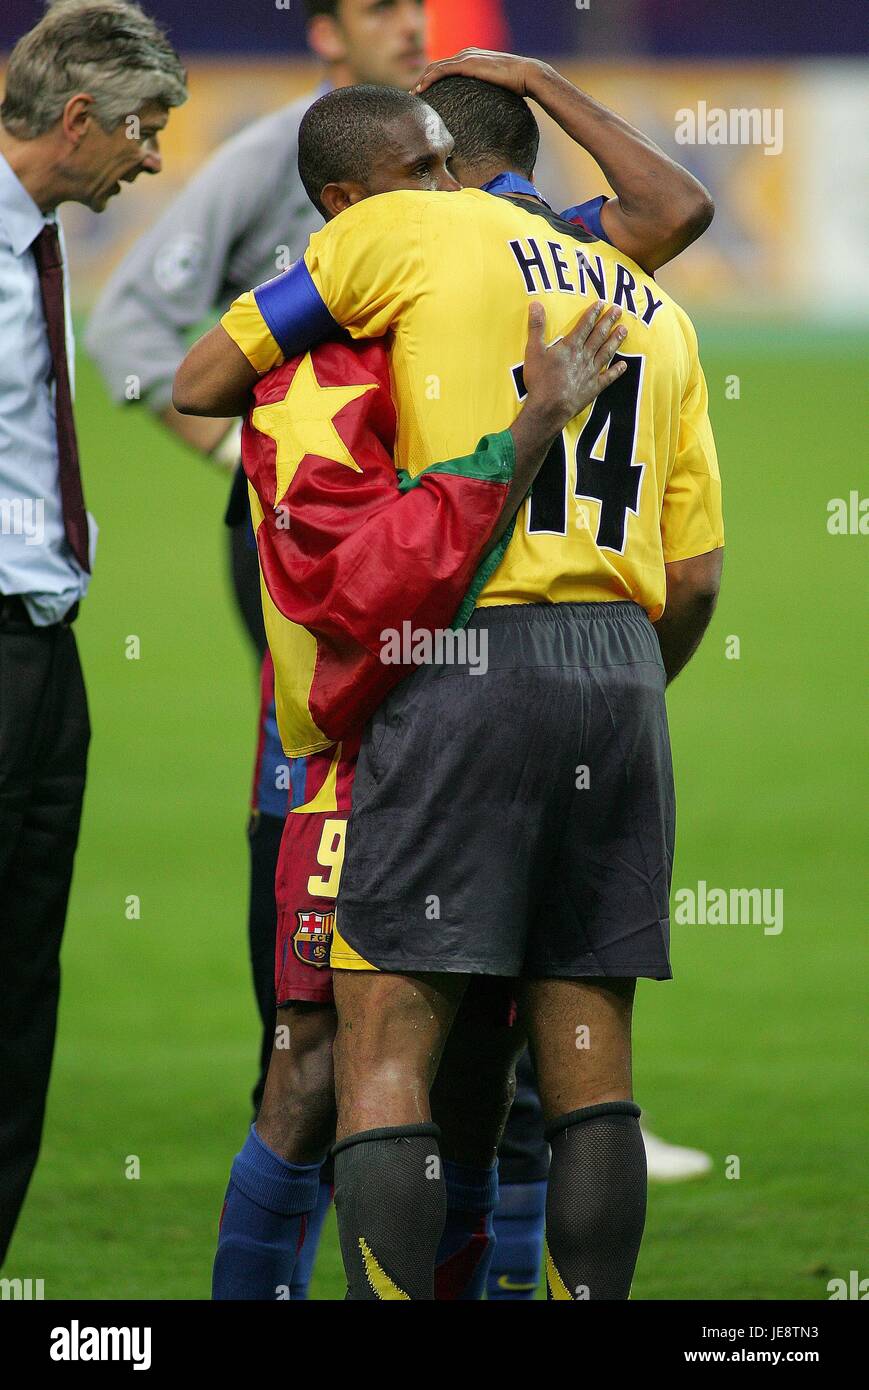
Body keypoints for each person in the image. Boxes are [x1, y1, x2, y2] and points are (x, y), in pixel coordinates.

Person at [176, 77, 723, 1299]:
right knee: (589, 1063)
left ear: (434, 162)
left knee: (378, 1057)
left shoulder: (404, 228)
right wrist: (623, 685)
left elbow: (198, 377)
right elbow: (691, 581)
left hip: (463, 661)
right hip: (622, 676)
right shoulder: (652, 307)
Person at [0, 0, 186, 1268]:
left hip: (43, 649)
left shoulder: (40, 243)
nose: (154, 158)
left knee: (21, 999)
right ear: (80, 119)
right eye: (146, 130)